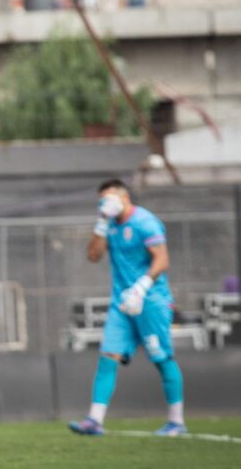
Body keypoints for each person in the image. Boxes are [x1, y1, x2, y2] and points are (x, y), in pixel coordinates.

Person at [69, 180, 186, 437]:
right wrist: (101, 223)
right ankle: (94, 420)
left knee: (161, 357)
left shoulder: (145, 222)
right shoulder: (109, 225)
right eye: (102, 200)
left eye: (109, 198)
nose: (105, 203)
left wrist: (141, 288)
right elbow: (93, 256)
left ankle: (176, 421)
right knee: (108, 355)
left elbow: (162, 259)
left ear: (125, 197)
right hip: (121, 303)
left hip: (150, 300)